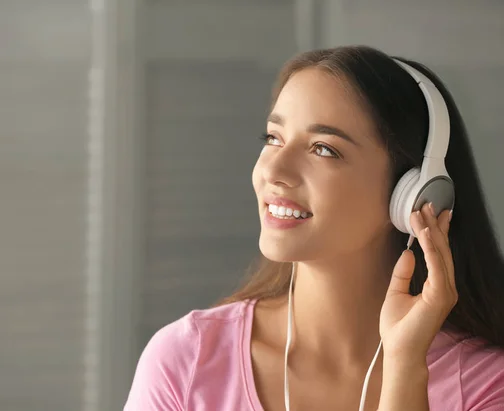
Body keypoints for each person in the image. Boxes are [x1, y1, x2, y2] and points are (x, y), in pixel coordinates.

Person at [123, 45, 504, 410]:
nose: (273, 171)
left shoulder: (487, 383)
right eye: (274, 138)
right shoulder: (186, 361)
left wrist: (405, 364)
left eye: (323, 148)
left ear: (415, 194)